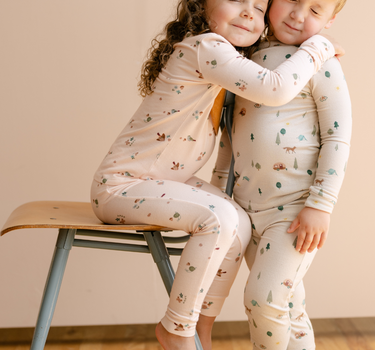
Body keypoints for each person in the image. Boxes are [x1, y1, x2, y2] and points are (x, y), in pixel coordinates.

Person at [90, 0, 343, 348]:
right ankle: (177, 329)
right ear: (201, 3)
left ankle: (201, 331)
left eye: (257, 6)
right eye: (236, 0)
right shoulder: (207, 48)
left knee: (235, 221)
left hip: (165, 184)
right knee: (223, 219)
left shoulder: (236, 63)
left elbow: (232, 139)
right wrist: (319, 47)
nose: (247, 13)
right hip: (123, 184)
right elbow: (274, 90)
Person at [211, 0, 351, 349]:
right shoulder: (244, 59)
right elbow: (230, 133)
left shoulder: (321, 63)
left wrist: (322, 204)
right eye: (291, 0)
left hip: (294, 213)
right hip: (246, 210)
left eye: (315, 10)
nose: (298, 15)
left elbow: (338, 135)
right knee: (287, 304)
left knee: (263, 300)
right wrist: (219, 194)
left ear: (330, 21)